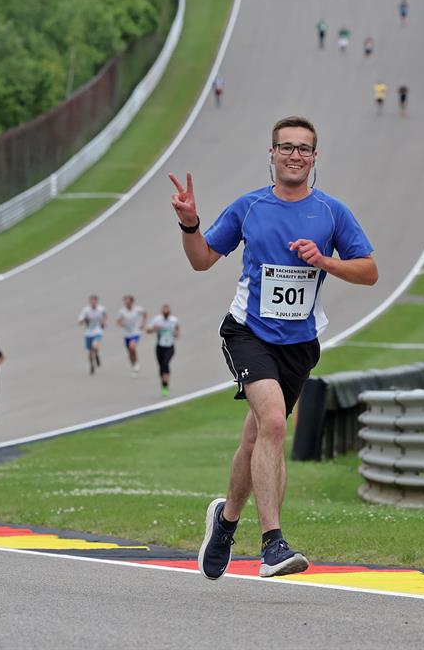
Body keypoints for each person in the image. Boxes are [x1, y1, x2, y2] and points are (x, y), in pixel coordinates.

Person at [169, 116, 377, 581]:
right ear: (272, 154)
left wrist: (325, 261)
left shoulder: (331, 213)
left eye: (303, 148)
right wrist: (190, 225)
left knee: (257, 437)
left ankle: (225, 523)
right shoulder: (250, 207)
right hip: (248, 332)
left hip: (299, 344)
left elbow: (369, 271)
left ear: (314, 157)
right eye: (286, 147)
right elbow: (202, 260)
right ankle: (272, 544)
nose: (295, 155)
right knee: (275, 424)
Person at [146, 304, 180, 397]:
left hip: (169, 346)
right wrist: (154, 328)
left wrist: (175, 334)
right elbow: (148, 330)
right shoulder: (157, 320)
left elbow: (177, 331)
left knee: (166, 363)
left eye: (167, 311)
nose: (166, 313)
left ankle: (165, 384)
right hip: (160, 346)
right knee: (161, 367)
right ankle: (164, 383)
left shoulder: (173, 320)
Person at [116, 295, 147, 377]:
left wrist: (143, 324)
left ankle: (136, 364)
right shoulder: (122, 311)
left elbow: (144, 314)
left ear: (132, 302)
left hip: (136, 332)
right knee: (130, 352)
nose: (127, 303)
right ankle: (134, 365)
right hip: (126, 334)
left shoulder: (138, 309)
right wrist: (121, 324)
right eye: (125, 302)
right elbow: (118, 321)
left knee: (132, 347)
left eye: (128, 302)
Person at [78, 294, 107, 374]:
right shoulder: (86, 310)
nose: (93, 303)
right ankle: (92, 364)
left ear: (97, 301)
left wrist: (103, 322)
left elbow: (105, 315)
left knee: (95, 345)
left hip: (97, 331)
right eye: (92, 301)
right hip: (88, 333)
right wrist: (84, 319)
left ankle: (97, 356)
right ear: (90, 302)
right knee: (90, 352)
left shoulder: (101, 309)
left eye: (95, 301)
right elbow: (80, 322)